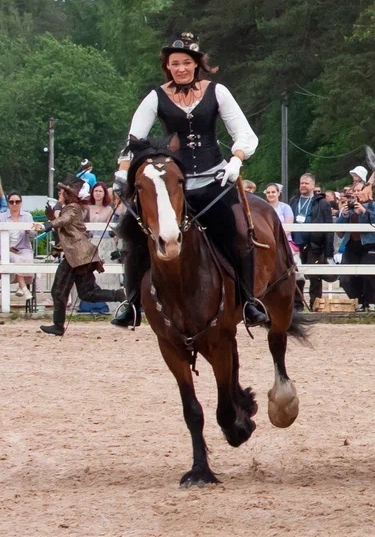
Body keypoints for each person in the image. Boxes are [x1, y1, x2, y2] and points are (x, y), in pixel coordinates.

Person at [110, 33, 268, 329]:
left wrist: (236, 159)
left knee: (239, 233)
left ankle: (248, 302)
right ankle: (131, 303)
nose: (180, 68)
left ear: (197, 64)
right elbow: (133, 140)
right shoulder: (155, 97)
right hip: (171, 185)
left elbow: (245, 134)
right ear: (167, 66)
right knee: (133, 235)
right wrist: (123, 171)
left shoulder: (218, 92)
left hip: (214, 180)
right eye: (174, 64)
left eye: (186, 62)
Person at [38, 178, 125, 336]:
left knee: (58, 291)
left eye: (62, 191)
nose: (60, 193)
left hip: (76, 255)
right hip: (81, 255)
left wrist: (48, 225)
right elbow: (67, 227)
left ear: (68, 193)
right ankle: (119, 295)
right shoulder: (72, 207)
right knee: (87, 293)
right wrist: (52, 218)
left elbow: (66, 219)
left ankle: (58, 326)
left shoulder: (73, 208)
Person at [289, 172, 333, 311]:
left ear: (313, 185)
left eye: (306, 183)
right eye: (302, 183)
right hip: (296, 244)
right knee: (296, 275)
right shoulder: (294, 201)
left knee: (315, 276)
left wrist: (329, 251)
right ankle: (297, 304)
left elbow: (329, 227)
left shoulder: (322, 203)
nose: (303, 185)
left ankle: (316, 304)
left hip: (314, 244)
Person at [337, 185, 375, 312]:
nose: (357, 193)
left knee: (367, 274)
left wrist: (363, 211)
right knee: (347, 277)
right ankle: (358, 301)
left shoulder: (372, 205)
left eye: (359, 190)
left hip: (369, 244)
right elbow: (339, 228)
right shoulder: (349, 206)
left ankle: (371, 303)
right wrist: (344, 214)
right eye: (354, 191)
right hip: (351, 244)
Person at [81, 182, 119, 314]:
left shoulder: (109, 209)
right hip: (91, 242)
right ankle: (90, 305)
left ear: (104, 194)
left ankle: (109, 304)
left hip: (105, 242)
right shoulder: (86, 208)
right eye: (95, 191)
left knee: (106, 273)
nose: (97, 193)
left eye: (100, 191)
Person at [0, 192, 35, 301]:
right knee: (15, 259)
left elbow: (34, 234)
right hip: (7, 248)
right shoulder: (2, 216)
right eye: (11, 202)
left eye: (17, 201)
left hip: (23, 247)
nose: (14, 204)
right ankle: (24, 288)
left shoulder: (27, 216)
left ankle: (21, 285)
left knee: (28, 258)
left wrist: (29, 230)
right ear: (8, 203)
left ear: (21, 203)